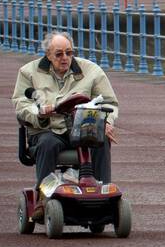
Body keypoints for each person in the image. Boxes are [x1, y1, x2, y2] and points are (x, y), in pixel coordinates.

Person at [13, 30, 120, 185]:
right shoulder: (28, 72)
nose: (65, 58)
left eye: (69, 53)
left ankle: (102, 190)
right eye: (59, 54)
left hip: (82, 128)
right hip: (47, 130)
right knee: (47, 143)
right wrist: (39, 114)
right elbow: (21, 104)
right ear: (48, 55)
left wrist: (106, 121)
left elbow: (109, 102)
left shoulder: (92, 71)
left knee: (101, 138)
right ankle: (44, 198)